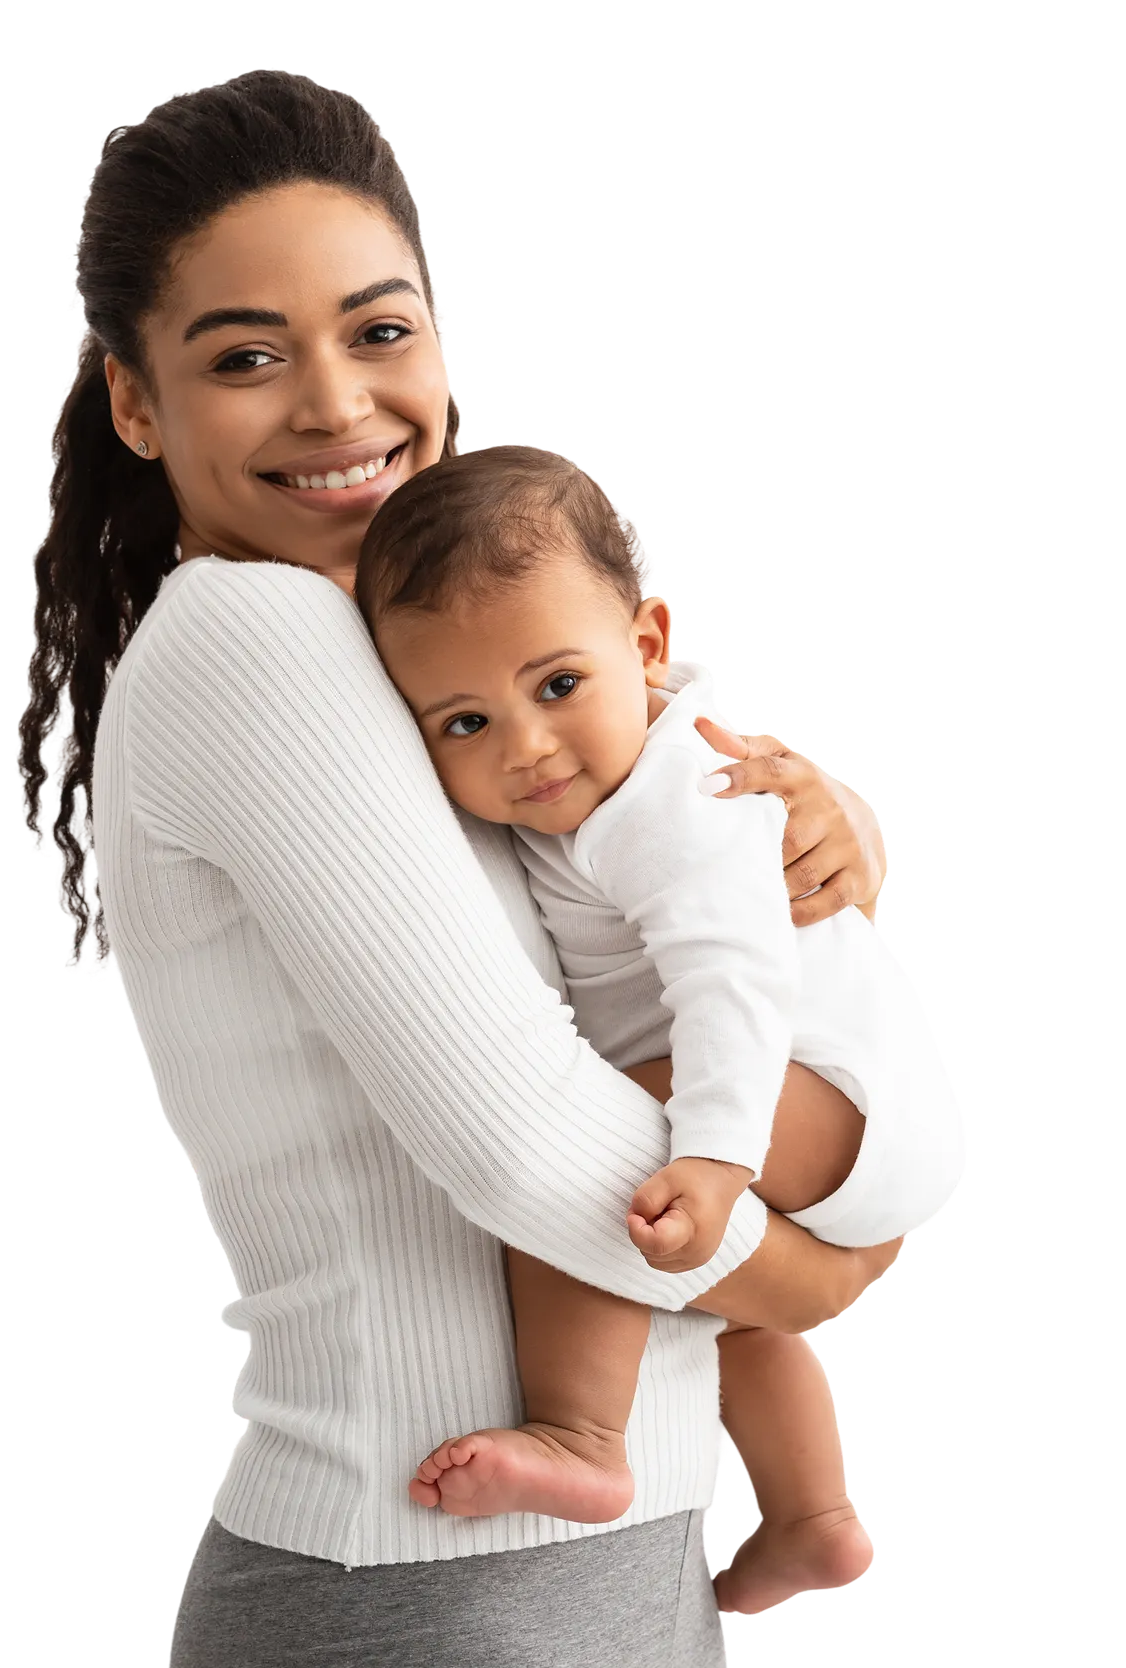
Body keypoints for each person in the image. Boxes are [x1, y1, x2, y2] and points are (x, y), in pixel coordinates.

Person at [18, 69, 902, 1667]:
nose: (339, 407)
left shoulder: (426, 658)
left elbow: (629, 891)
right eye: (243, 358)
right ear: (136, 405)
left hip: (572, 1570)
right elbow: (523, 1144)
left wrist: (803, 819)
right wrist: (821, 1273)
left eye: (379, 331)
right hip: (431, 1584)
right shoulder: (254, 634)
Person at [354, 442, 971, 1617]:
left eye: (555, 688)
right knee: (730, 1322)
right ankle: (810, 1517)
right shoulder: (627, 766)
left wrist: (715, 1153)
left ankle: (582, 1431)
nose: (523, 750)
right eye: (463, 721)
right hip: (843, 1103)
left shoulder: (675, 799)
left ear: (645, 646)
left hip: (819, 1086)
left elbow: (730, 980)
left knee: (579, 1166)